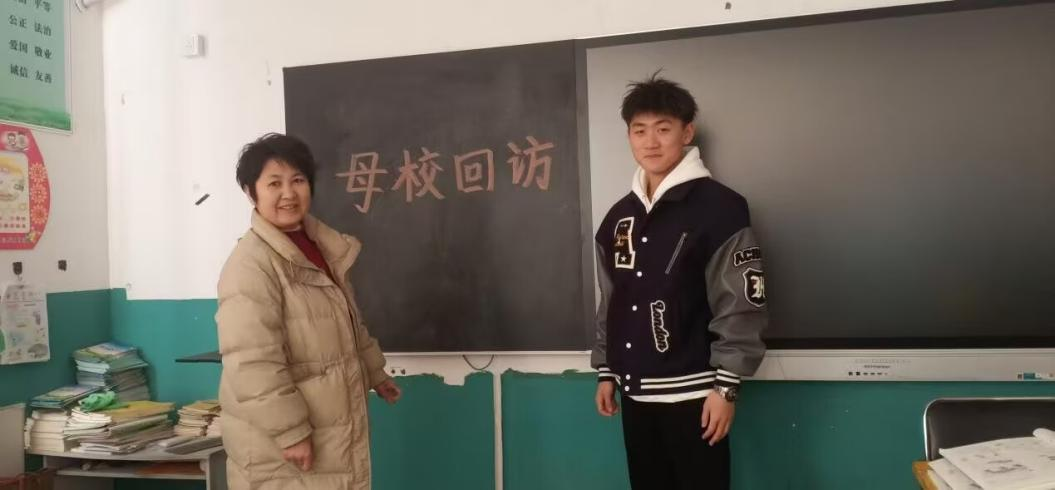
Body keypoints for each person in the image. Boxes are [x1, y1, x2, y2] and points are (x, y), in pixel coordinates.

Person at [591, 74, 768, 489]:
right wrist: (606, 369)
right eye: (639, 131)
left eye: (663, 129)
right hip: (634, 393)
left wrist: (726, 388)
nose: (650, 142)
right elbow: (613, 299)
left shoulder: (720, 207)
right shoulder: (619, 217)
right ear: (629, 136)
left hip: (696, 396)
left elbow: (741, 302)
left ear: (686, 133)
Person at [216, 133, 401, 490]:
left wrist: (375, 372)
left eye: (298, 180)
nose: (288, 193)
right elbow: (252, 362)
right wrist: (290, 432)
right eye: (274, 184)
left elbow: (347, 322)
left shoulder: (321, 248)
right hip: (280, 448)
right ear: (251, 192)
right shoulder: (250, 265)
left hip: (327, 429)